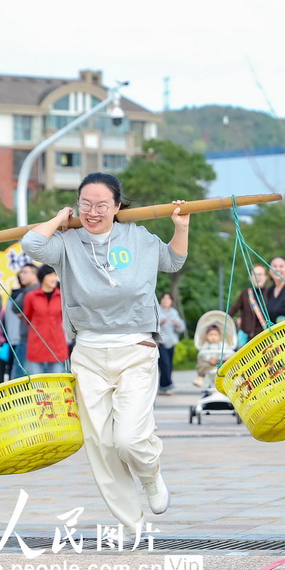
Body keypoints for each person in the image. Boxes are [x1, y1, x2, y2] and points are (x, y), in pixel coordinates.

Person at [22, 171, 189, 533]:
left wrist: (181, 226)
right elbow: (32, 246)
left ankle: (151, 475)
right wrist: (60, 220)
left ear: (117, 206)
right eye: (86, 204)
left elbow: (173, 262)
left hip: (136, 348)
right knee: (101, 443)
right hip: (89, 352)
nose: (93, 212)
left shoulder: (138, 236)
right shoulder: (68, 242)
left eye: (101, 205)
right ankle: (132, 522)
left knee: (128, 438)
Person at [22, 265, 68, 375]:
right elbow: (27, 318)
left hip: (57, 345)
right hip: (36, 345)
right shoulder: (31, 296)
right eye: (51, 275)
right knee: (37, 386)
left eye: (55, 275)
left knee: (57, 384)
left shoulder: (62, 296)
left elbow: (64, 318)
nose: (54, 278)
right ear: (43, 277)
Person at [3, 263, 39, 380]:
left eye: (25, 272)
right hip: (26, 338)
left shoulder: (36, 292)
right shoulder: (25, 291)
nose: (21, 275)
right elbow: (15, 308)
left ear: (35, 275)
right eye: (21, 272)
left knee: (20, 374)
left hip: (32, 338)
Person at [229, 264, 268, 342]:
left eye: (260, 274)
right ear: (250, 278)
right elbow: (233, 310)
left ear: (266, 277)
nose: (258, 277)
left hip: (266, 337)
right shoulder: (245, 294)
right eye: (255, 274)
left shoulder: (271, 293)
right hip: (249, 338)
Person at [157, 292, 185, 395]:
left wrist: (177, 324)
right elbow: (151, 326)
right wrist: (160, 323)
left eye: (168, 299)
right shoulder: (157, 311)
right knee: (164, 364)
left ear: (171, 301)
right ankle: (169, 385)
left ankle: (163, 386)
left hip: (171, 342)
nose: (165, 300)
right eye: (164, 298)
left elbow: (181, 329)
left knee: (169, 365)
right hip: (160, 342)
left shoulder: (174, 312)